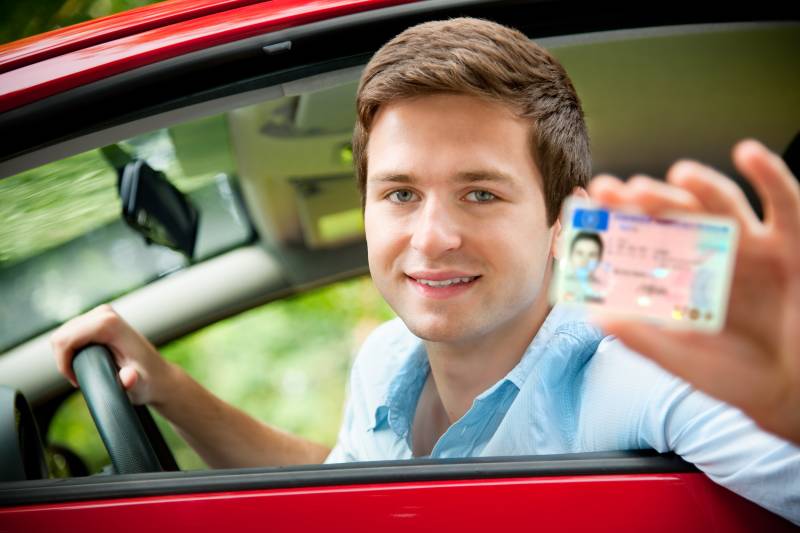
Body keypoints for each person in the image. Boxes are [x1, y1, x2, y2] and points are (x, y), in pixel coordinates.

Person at [51, 18, 799, 523]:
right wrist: (170, 388)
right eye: (401, 193)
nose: (432, 237)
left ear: (563, 223)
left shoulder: (631, 360)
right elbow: (338, 482)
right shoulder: (386, 358)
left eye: (480, 192)